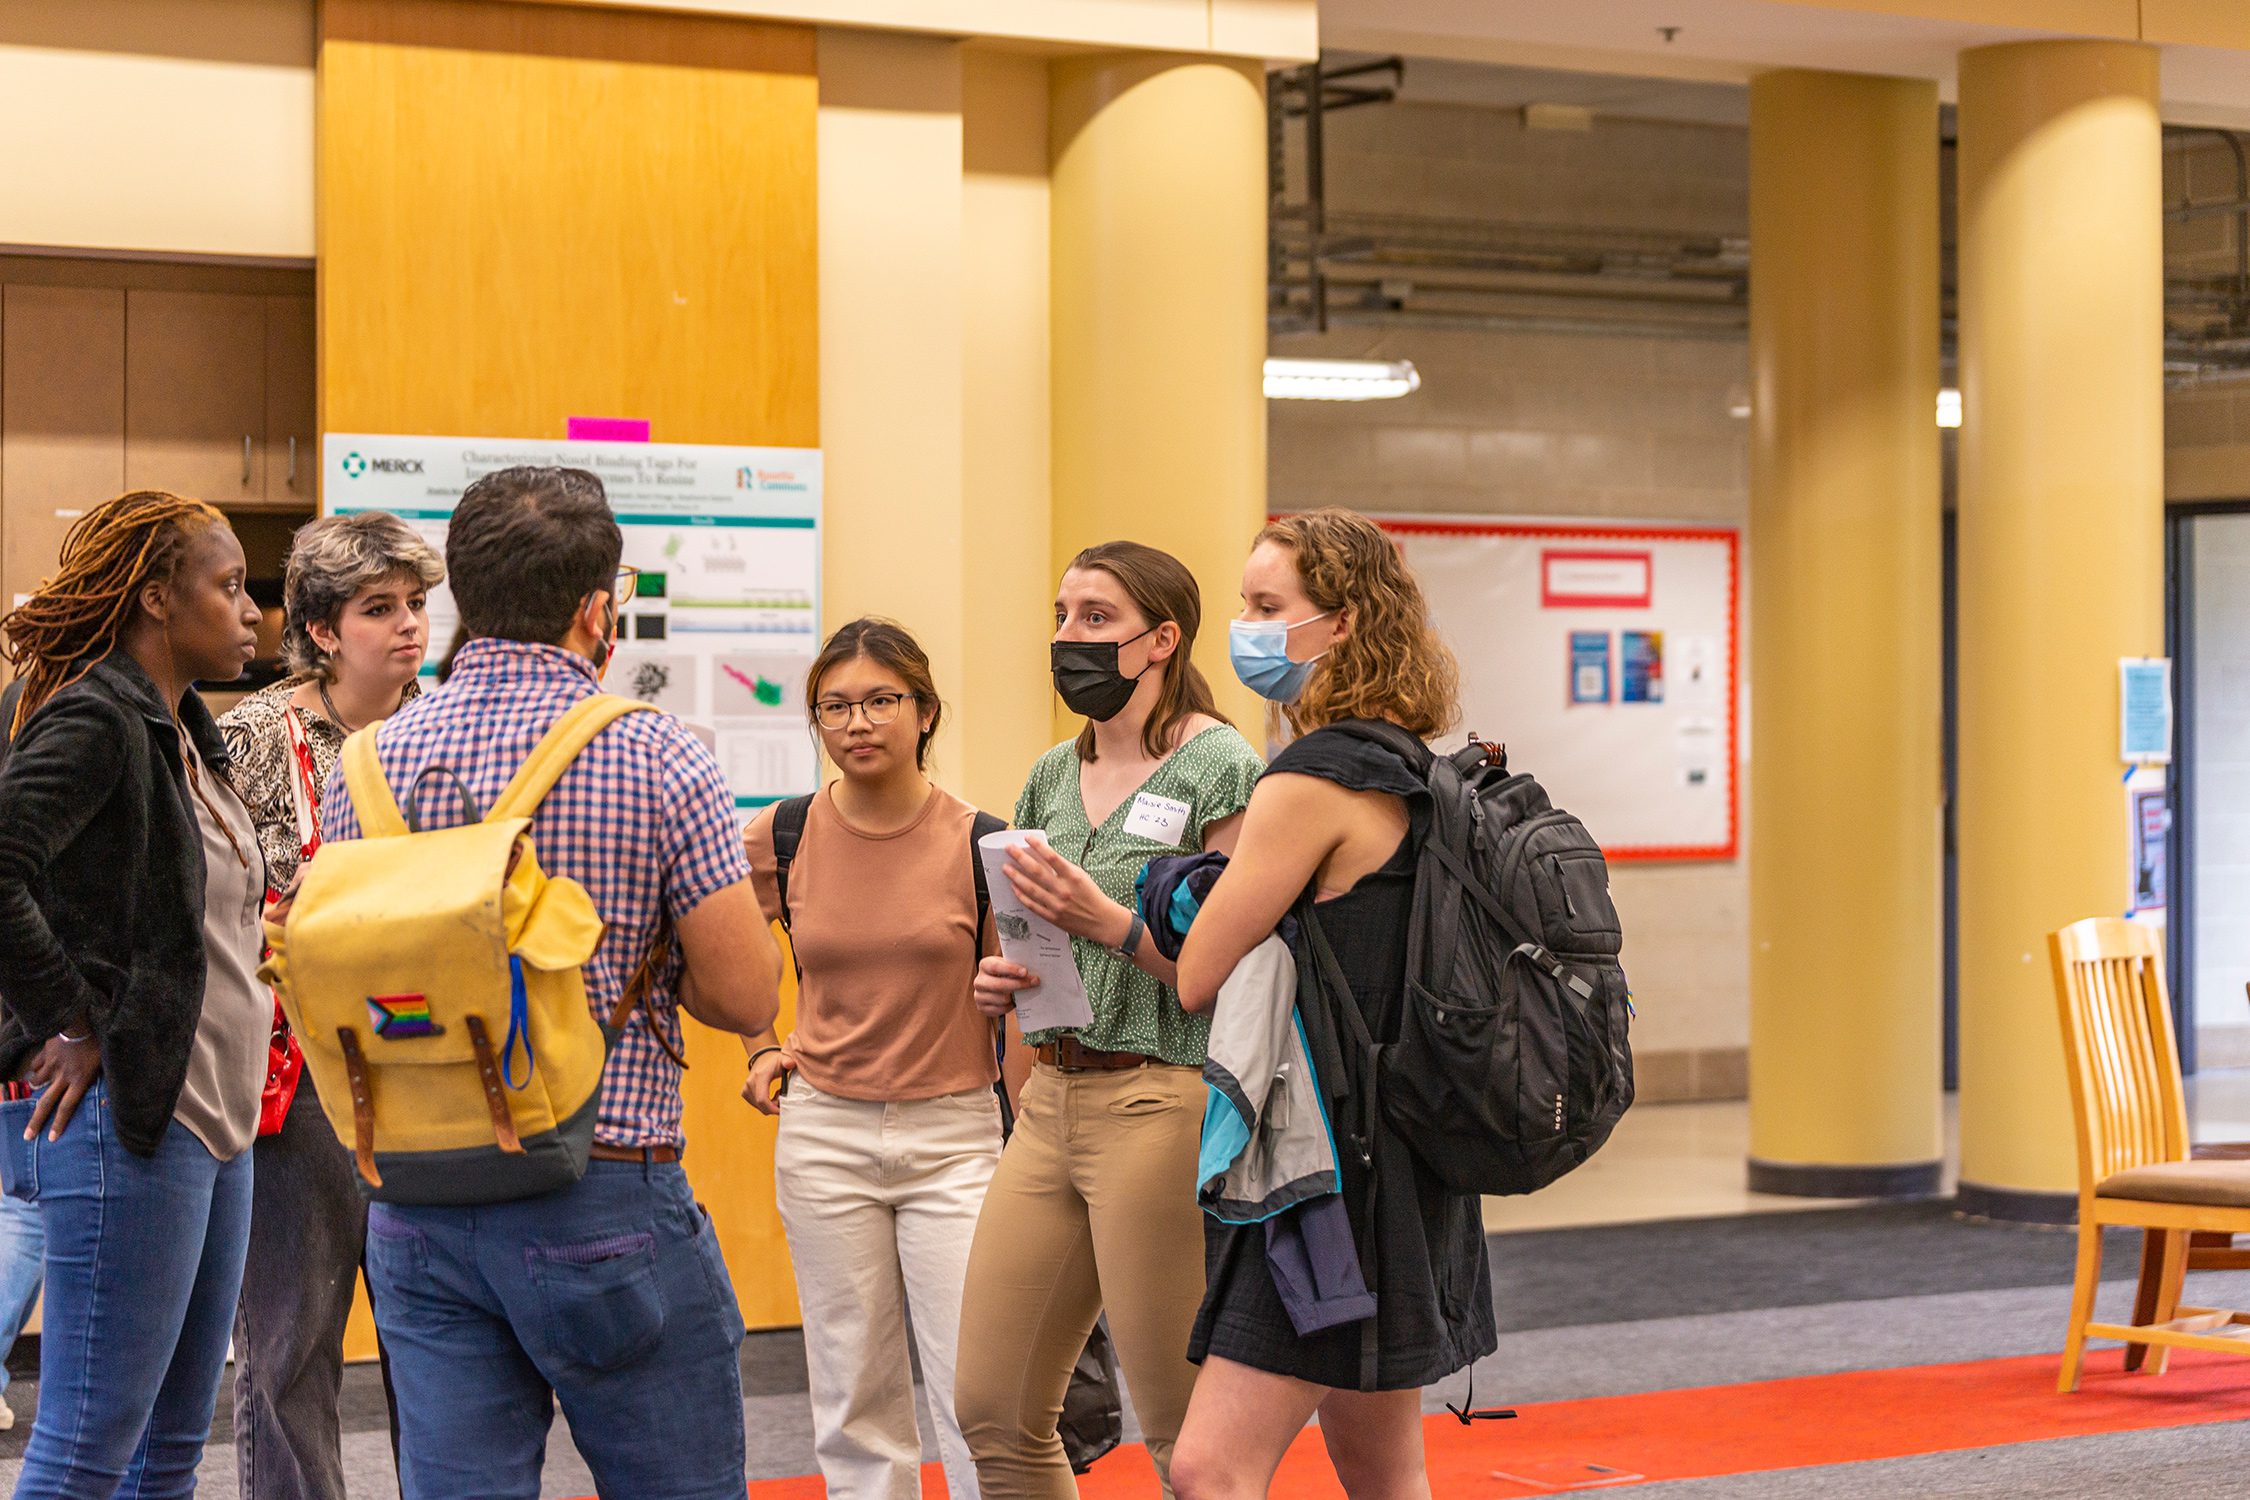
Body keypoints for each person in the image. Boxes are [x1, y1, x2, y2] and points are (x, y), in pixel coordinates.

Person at [317, 465, 783, 1500]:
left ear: (456, 603)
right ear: (595, 609)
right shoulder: (657, 753)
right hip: (602, 1184)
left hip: (418, 1202)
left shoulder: (365, 764)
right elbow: (746, 999)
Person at [1167, 508, 1498, 1500]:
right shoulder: (1414, 768)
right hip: (1406, 1156)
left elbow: (1196, 974)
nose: (1248, 628)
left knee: (1207, 1469)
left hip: (1319, 1171)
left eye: (1269, 607)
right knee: (1383, 1470)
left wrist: (1160, 897)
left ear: (1342, 624)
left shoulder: (1309, 782)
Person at [955, 541, 1266, 1499]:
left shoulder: (1223, 766)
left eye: (1095, 618)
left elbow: (1235, 973)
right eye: (1061, 615)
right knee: (993, 1410)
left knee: (1182, 1434)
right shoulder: (1052, 772)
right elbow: (1025, 935)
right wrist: (999, 982)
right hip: (1051, 1096)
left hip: (1162, 1100)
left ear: (1160, 640)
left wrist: (1110, 923)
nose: (1067, 637)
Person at [0, 490, 269, 1496]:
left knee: (168, 1453)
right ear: (157, 598)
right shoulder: (99, 716)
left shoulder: (189, 731)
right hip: (135, 1120)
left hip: (218, 1123)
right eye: (229, 586)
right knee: (83, 1449)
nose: (251, 612)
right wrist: (71, 1014)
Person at [740, 617, 1013, 1500]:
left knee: (980, 1381)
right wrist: (761, 1044)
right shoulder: (779, 834)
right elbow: (731, 959)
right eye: (835, 707)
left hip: (958, 1137)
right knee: (853, 1387)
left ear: (925, 712)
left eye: (881, 701)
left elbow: (1035, 1000)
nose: (857, 723)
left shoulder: (984, 841)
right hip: (824, 1133)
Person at [218, 511, 443, 1499]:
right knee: (292, 1343)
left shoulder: (445, 728)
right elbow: (224, 907)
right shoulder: (251, 739)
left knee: (439, 1339)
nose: (408, 627)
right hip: (298, 1072)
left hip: (429, 1066)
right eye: (378, 608)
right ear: (319, 628)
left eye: (418, 604)